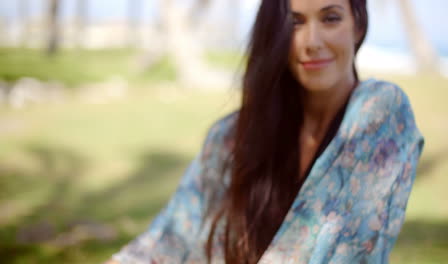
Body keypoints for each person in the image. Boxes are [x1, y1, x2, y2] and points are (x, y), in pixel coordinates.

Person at [107, 0, 424, 263]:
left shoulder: (380, 110)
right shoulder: (233, 135)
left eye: (330, 18)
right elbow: (168, 238)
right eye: (295, 23)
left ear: (358, 26)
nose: (312, 41)